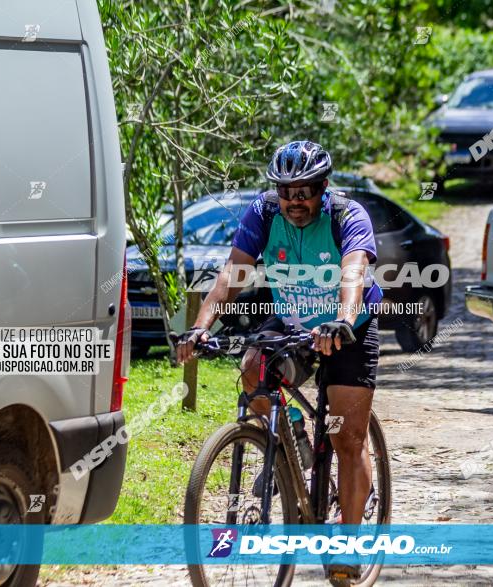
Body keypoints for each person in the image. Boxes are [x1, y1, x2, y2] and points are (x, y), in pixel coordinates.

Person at [176, 140, 382, 579]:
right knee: (252, 371)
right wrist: (200, 328)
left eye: (304, 191)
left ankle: (348, 542)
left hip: (349, 328)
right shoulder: (264, 212)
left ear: (323, 187)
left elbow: (354, 273)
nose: (294, 201)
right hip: (293, 321)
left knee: (347, 438)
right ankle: (292, 433)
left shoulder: (348, 215)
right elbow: (230, 277)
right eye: (286, 191)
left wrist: (343, 321)